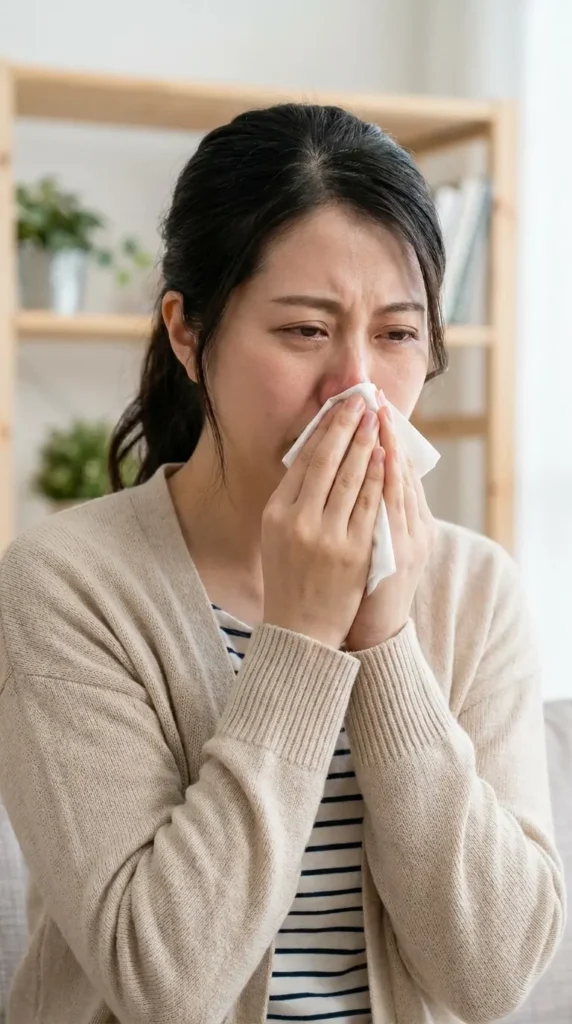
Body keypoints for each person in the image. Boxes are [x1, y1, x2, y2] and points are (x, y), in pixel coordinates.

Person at [0, 103, 565, 1024]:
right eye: (305, 331)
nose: (355, 387)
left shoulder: (477, 590)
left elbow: (495, 976)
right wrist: (303, 635)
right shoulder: (66, 585)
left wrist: (383, 636)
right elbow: (164, 983)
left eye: (396, 334)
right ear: (188, 333)